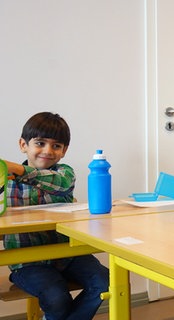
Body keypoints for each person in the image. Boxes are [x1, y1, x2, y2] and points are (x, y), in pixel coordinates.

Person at [2, 112, 109, 320]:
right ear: (23, 145)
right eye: (40, 143)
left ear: (64, 151)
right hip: (27, 262)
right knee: (56, 298)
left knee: (105, 282)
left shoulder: (64, 174)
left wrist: (18, 170)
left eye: (56, 146)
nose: (48, 151)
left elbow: (60, 184)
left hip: (67, 254)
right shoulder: (5, 181)